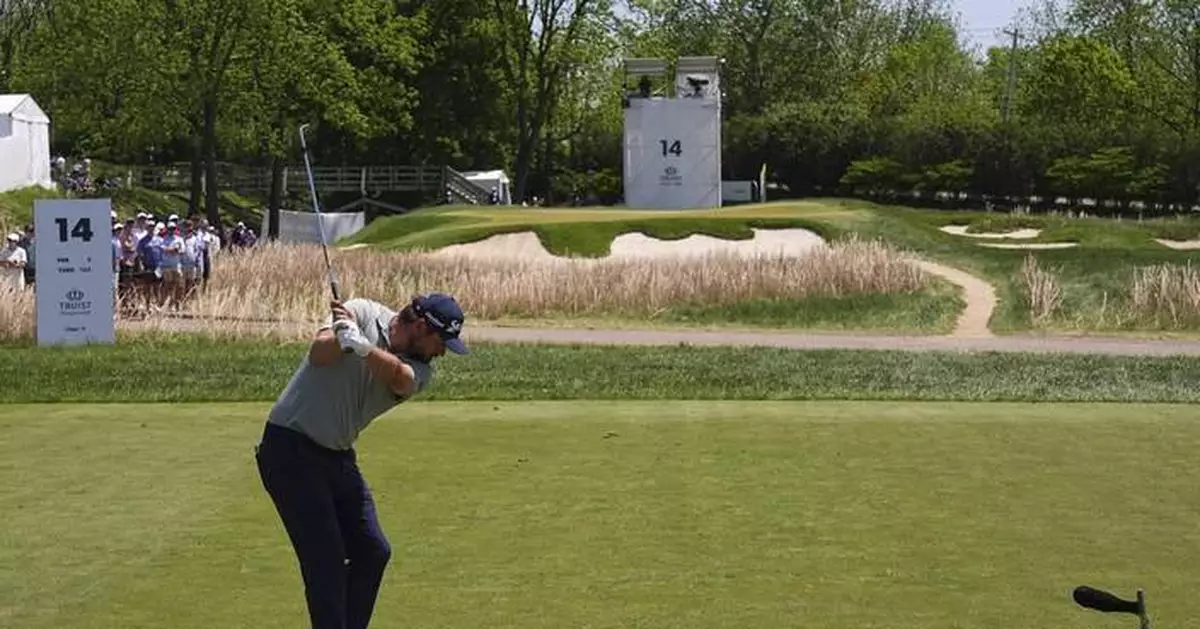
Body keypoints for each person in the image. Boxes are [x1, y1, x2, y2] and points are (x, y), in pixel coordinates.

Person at [255, 292, 470, 629]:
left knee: (372, 551)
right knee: (325, 561)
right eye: (441, 341)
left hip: (337, 456)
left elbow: (399, 377)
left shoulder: (421, 370)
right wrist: (342, 337)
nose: (442, 351)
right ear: (421, 327)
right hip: (288, 449)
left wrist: (362, 347)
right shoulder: (362, 312)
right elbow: (319, 354)